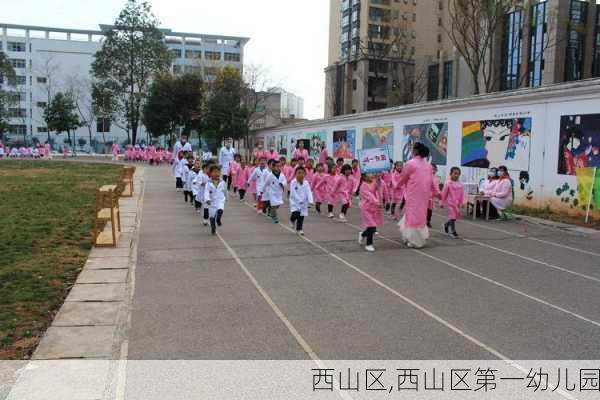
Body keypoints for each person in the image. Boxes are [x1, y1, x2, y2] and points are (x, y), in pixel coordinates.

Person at [396, 143, 436, 248]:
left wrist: (397, 185)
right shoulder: (428, 165)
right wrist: (437, 192)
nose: (411, 149)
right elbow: (433, 181)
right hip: (424, 194)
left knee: (413, 215)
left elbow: (403, 178)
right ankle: (408, 236)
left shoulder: (410, 163)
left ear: (416, 151)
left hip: (413, 193)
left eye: (412, 148)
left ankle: (415, 240)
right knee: (419, 214)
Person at [358, 173, 384, 252]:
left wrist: (378, 179)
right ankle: (369, 244)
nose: (372, 175)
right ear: (364, 177)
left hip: (373, 208)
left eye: (372, 174)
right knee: (372, 226)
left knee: (371, 226)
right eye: (369, 174)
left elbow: (379, 187)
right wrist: (378, 202)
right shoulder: (363, 186)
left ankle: (362, 234)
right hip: (366, 208)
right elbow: (369, 196)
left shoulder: (373, 182)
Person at [441, 167, 465, 238]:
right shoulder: (448, 183)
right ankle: (453, 231)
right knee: (452, 216)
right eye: (455, 173)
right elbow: (444, 193)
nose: (456, 175)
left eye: (458, 174)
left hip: (456, 203)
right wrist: (442, 202)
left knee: (454, 218)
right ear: (450, 174)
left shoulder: (461, 184)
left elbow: (462, 194)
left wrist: (462, 202)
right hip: (450, 203)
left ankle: (446, 224)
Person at [289, 166, 314, 236]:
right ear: (295, 174)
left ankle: (299, 229)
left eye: (302, 173)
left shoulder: (306, 183)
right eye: (299, 173)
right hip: (295, 201)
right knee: (296, 213)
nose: (300, 175)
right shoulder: (293, 182)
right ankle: (292, 220)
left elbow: (309, 191)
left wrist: (310, 200)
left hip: (304, 202)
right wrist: (299, 200)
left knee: (301, 216)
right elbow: (293, 193)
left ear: (305, 174)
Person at [204, 165, 228, 235]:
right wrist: (207, 199)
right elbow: (206, 192)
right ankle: (213, 227)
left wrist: (226, 198)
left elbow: (225, 191)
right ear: (211, 173)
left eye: (218, 172)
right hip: (212, 202)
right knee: (212, 216)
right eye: (214, 172)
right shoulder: (208, 183)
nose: (217, 174)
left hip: (220, 200)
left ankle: (218, 219)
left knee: (220, 209)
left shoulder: (222, 182)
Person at [264, 159, 287, 224]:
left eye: (279, 166)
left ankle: (271, 211)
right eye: (277, 166)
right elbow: (266, 183)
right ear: (273, 167)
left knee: (277, 205)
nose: (278, 168)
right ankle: (274, 217)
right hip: (272, 193)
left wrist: (282, 183)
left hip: (279, 193)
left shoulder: (282, 175)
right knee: (274, 205)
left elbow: (285, 181)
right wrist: (261, 191)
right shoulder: (270, 175)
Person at [427, 163, 441, 228]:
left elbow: (436, 187)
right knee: (425, 209)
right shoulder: (426, 176)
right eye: (432, 169)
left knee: (429, 209)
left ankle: (428, 221)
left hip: (430, 197)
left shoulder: (436, 178)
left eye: (434, 169)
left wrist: (438, 194)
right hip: (424, 195)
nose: (433, 171)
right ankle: (424, 221)